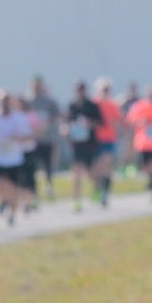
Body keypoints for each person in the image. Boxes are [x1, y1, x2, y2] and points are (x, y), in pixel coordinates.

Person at [0, 90, 29, 225]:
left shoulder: (19, 117)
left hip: (14, 157)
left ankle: (12, 215)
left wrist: (18, 137)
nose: (4, 103)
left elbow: (28, 135)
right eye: (1, 101)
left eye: (6, 100)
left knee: (13, 187)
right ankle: (4, 200)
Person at [64, 80, 102, 211]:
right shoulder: (72, 105)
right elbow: (66, 122)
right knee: (76, 172)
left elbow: (100, 123)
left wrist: (89, 123)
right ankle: (76, 200)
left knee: (90, 172)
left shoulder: (92, 105)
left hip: (89, 143)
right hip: (76, 143)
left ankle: (96, 190)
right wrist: (65, 130)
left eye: (81, 89)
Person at [26, 76, 61, 201]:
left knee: (48, 165)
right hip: (33, 140)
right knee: (32, 167)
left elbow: (58, 116)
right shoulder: (28, 101)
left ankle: (49, 186)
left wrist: (48, 123)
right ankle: (33, 192)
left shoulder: (49, 101)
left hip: (47, 138)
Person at [90, 78, 123, 202]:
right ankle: (97, 189)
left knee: (106, 165)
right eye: (103, 89)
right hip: (94, 139)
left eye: (107, 89)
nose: (105, 92)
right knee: (95, 167)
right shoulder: (93, 103)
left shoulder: (112, 105)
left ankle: (105, 192)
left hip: (108, 138)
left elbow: (118, 121)